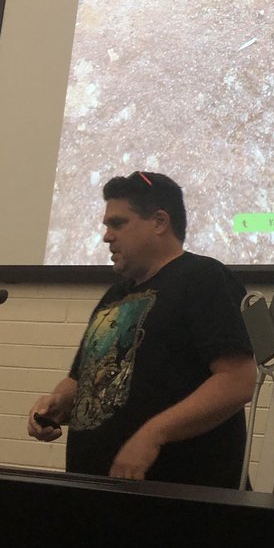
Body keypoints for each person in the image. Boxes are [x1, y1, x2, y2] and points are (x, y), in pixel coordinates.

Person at [28, 171, 255, 487]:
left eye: (118, 224)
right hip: (98, 491)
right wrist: (56, 403)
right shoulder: (116, 295)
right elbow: (81, 378)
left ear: (160, 222)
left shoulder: (203, 278)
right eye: (106, 226)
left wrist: (152, 435)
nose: (107, 236)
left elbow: (238, 381)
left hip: (182, 497)